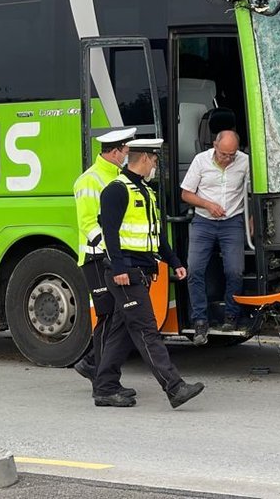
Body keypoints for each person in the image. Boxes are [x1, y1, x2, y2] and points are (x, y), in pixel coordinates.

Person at [94, 138, 205, 408]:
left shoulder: (144, 191)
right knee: (146, 330)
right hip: (126, 273)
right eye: (155, 160)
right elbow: (108, 233)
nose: (156, 165)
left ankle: (105, 387)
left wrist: (174, 261)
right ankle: (174, 387)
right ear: (144, 159)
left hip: (139, 271)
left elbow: (155, 235)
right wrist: (119, 268)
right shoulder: (117, 191)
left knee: (121, 333)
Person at [71, 127, 135, 394]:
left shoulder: (119, 176)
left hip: (112, 258)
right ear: (116, 150)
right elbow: (87, 223)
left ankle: (95, 365)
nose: (128, 156)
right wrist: (112, 253)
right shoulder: (89, 180)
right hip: (97, 259)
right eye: (126, 152)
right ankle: (99, 373)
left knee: (118, 317)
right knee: (108, 316)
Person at [180, 130, 250, 345]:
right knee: (195, 269)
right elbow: (186, 193)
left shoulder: (245, 162)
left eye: (232, 155)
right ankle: (200, 320)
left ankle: (231, 316)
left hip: (233, 222)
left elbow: (253, 194)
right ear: (214, 146)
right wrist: (208, 204)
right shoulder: (201, 161)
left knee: (235, 271)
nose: (227, 159)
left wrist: (251, 226)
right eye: (223, 154)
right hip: (204, 221)